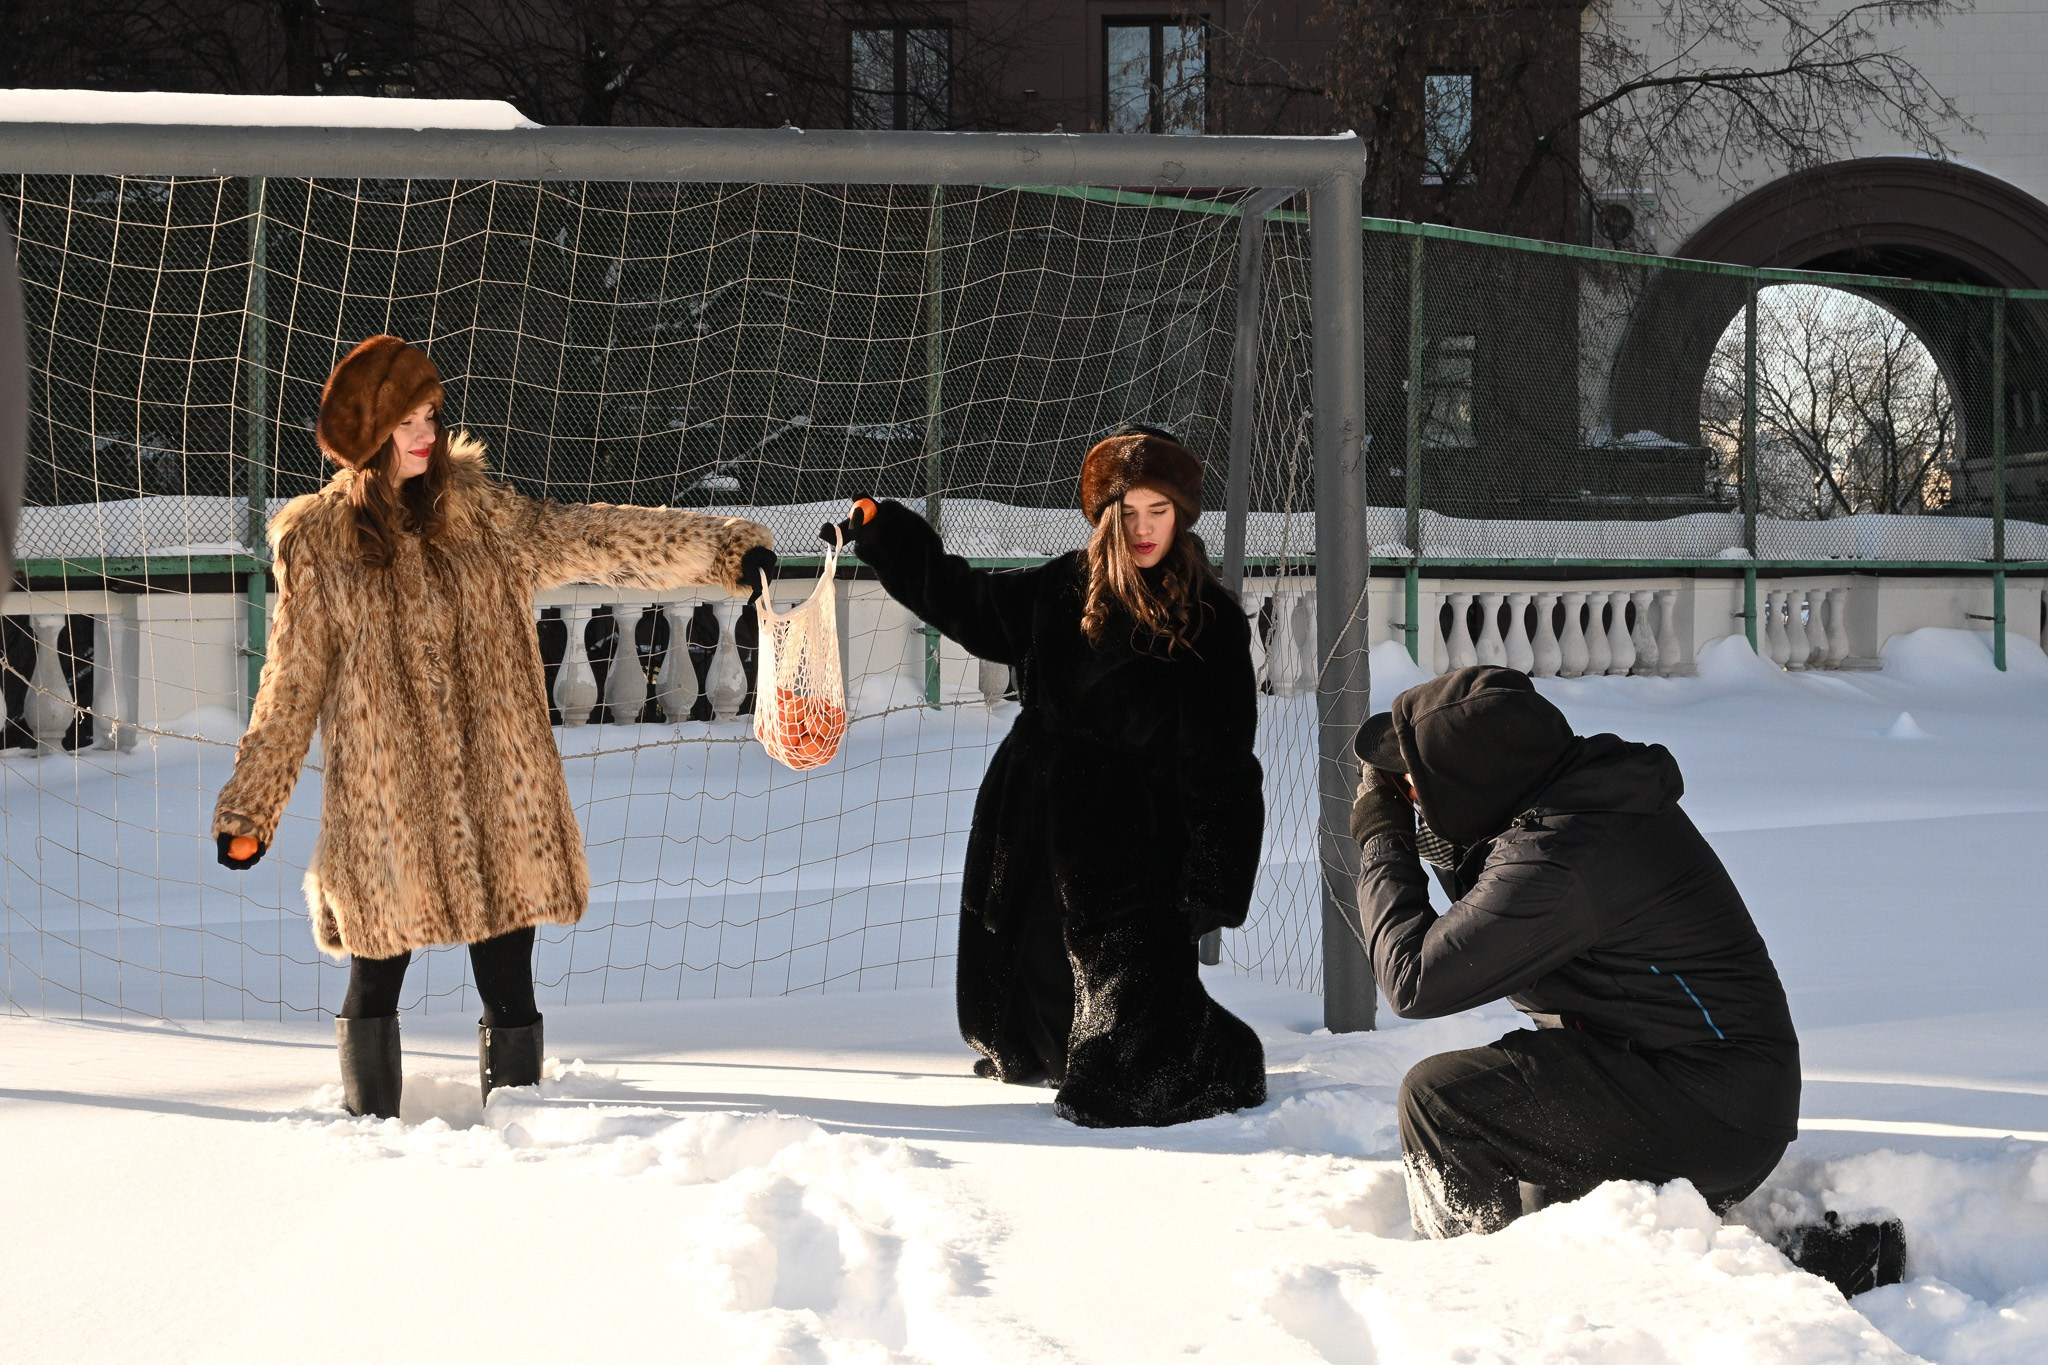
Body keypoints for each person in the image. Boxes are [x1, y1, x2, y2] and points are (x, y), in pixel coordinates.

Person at [212, 335, 776, 1118]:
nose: (424, 433)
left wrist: (721, 550)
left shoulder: (480, 513)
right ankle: (365, 1140)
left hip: (500, 788)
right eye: (405, 419)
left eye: (431, 414)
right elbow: (290, 684)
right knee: (376, 970)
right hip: (386, 800)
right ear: (365, 436)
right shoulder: (318, 543)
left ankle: (523, 1133)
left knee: (509, 973)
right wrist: (251, 808)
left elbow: (594, 537)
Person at [824, 425, 1267, 1127]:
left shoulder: (1212, 623)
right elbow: (965, 601)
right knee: (1028, 994)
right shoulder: (1065, 586)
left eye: (1160, 511)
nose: (1145, 528)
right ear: (1106, 517)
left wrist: (1213, 875)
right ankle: (1035, 1042)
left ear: (1181, 515)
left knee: (1130, 1057)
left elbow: (1227, 764)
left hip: (1134, 842)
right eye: (1130, 513)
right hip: (1035, 812)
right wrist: (888, 535)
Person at [1349, 666, 1800, 1237]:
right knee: (1543, 1188)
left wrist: (1383, 839)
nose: (1406, 794)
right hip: (1701, 1085)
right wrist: (1439, 828)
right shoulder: (1584, 797)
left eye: (1416, 783)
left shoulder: (1560, 855)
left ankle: (1468, 1285)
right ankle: (1802, 1254)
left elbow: (1414, 982)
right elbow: (1490, 920)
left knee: (1441, 1102)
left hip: (1710, 1114)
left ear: (1473, 780)